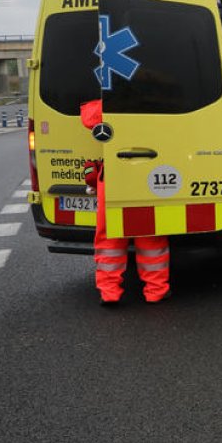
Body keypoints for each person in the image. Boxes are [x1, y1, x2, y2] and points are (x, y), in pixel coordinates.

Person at [80, 99, 171, 305]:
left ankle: (109, 293)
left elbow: (89, 117)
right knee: (150, 237)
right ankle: (156, 292)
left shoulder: (106, 106)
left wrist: (106, 99)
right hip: (146, 172)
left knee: (109, 240)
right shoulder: (152, 102)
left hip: (113, 176)